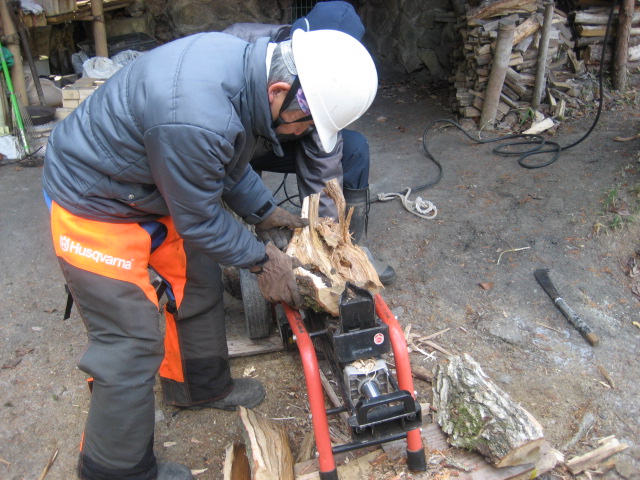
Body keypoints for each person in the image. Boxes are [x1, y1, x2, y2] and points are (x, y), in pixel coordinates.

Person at [42, 28, 377, 480]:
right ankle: (114, 472)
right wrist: (263, 261)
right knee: (129, 342)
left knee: (197, 279)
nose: (303, 133)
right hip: (93, 201)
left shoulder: (241, 77)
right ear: (280, 90)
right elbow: (200, 217)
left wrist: (263, 211)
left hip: (149, 186)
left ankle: (199, 386)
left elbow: (223, 161)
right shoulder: (195, 114)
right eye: (305, 122)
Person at [223, 1, 396, 284]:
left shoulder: (324, 81)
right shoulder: (239, 46)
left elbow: (323, 168)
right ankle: (243, 260)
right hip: (233, 141)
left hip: (281, 135)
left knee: (353, 148)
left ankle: (349, 247)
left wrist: (327, 242)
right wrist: (255, 233)